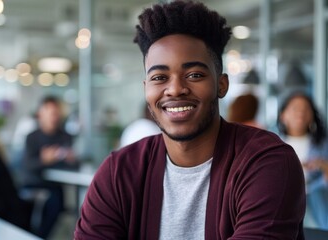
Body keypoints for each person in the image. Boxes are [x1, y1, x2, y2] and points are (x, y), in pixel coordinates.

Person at [74, 1, 305, 239]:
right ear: (146, 90)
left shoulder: (266, 161)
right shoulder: (119, 171)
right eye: (159, 77)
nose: (175, 89)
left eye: (194, 75)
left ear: (222, 84)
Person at [22, 95, 77, 239]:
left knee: (55, 201)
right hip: (33, 184)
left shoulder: (65, 136)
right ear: (41, 114)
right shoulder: (32, 137)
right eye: (51, 113)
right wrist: (44, 160)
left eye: (56, 113)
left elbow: (74, 164)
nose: (54, 117)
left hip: (54, 187)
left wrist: (71, 159)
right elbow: (28, 165)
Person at [278, 91, 328, 230]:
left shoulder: (323, 146)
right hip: (282, 206)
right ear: (283, 115)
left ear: (312, 115)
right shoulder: (271, 144)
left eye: (306, 108)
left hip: (319, 209)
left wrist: (324, 168)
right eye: (295, 108)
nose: (301, 113)